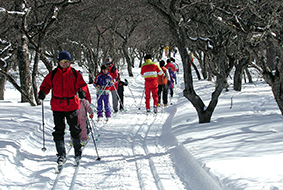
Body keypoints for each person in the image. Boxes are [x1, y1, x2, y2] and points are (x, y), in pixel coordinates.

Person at [38, 51, 91, 166]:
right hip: (57, 105)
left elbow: (82, 85)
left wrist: (82, 91)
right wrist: (42, 92)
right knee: (58, 130)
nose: (64, 64)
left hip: (71, 104)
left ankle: (78, 151)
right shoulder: (53, 74)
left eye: (67, 62)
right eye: (62, 62)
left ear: (70, 62)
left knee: (75, 128)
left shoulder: (75, 73)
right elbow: (46, 85)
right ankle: (61, 153)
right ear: (58, 62)